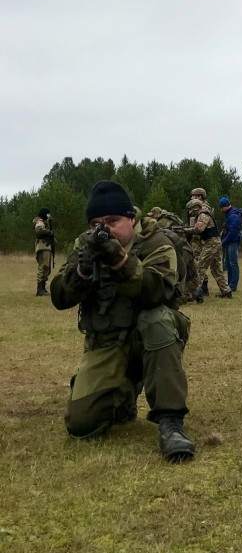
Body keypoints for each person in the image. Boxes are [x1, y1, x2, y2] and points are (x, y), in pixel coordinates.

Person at [50, 180, 195, 462]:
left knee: (157, 320)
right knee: (81, 425)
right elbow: (59, 297)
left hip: (152, 338)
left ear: (131, 218)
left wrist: (119, 261)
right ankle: (121, 398)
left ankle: (171, 421)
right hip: (106, 343)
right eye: (96, 223)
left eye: (113, 221)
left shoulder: (157, 243)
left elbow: (156, 292)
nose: (103, 229)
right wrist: (81, 269)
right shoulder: (85, 245)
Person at [185, 198, 232, 299]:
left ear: (195, 208)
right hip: (214, 243)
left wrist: (186, 230)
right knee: (216, 269)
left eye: (190, 209)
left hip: (211, 243)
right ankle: (226, 291)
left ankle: (196, 293)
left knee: (200, 267)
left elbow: (199, 229)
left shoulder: (202, 215)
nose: (190, 212)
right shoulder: (203, 214)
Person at [219, 196, 242, 291]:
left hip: (232, 242)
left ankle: (233, 285)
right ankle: (229, 284)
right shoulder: (229, 214)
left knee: (233, 263)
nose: (221, 210)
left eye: (221, 207)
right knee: (227, 263)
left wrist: (223, 242)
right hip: (229, 241)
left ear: (225, 206)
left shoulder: (232, 216)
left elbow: (232, 233)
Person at [189, 188, 210, 296]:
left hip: (201, 239)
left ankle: (202, 288)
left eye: (194, 195)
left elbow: (200, 227)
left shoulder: (204, 209)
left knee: (199, 263)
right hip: (196, 238)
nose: (192, 197)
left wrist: (188, 231)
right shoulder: (196, 208)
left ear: (200, 196)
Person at [33, 207, 55, 296]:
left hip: (46, 247)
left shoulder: (45, 222)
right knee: (43, 267)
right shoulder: (40, 222)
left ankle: (43, 288)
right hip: (43, 247)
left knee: (47, 268)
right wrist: (49, 233)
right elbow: (38, 231)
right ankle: (40, 289)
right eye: (48, 214)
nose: (49, 216)